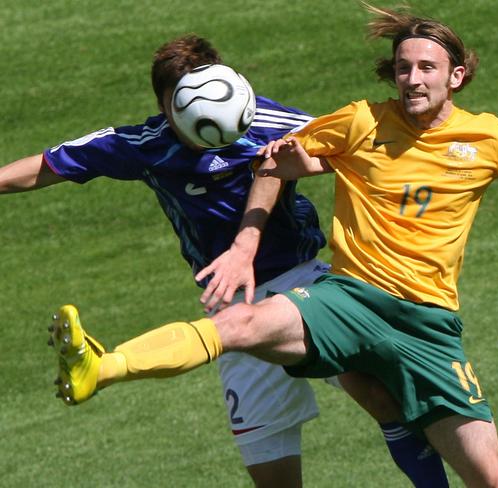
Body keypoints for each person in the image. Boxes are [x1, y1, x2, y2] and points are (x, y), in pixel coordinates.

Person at [45, 3, 498, 486]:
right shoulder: (361, 121)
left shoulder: (491, 139)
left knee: (491, 478)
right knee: (239, 325)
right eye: (404, 66)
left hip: (429, 325)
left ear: (455, 76)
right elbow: (273, 164)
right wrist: (246, 244)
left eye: (427, 68)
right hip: (348, 298)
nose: (413, 77)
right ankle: (103, 365)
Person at [4, 33, 449, 488]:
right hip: (230, 302)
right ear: (163, 106)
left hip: (305, 281)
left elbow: (352, 146)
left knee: (375, 390)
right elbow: (48, 165)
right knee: (273, 475)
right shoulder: (144, 144)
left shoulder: (264, 118)